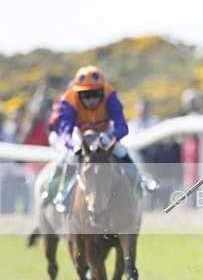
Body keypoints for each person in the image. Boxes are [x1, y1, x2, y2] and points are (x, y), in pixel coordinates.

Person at [42, 66, 155, 212]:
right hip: (80, 133)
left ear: (102, 91)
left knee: (121, 151)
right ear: (78, 94)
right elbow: (65, 132)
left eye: (95, 94)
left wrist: (110, 138)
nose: (91, 100)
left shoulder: (111, 95)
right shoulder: (68, 100)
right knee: (69, 157)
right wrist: (74, 146)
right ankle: (59, 194)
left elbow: (122, 127)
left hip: (104, 132)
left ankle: (141, 183)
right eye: (86, 95)